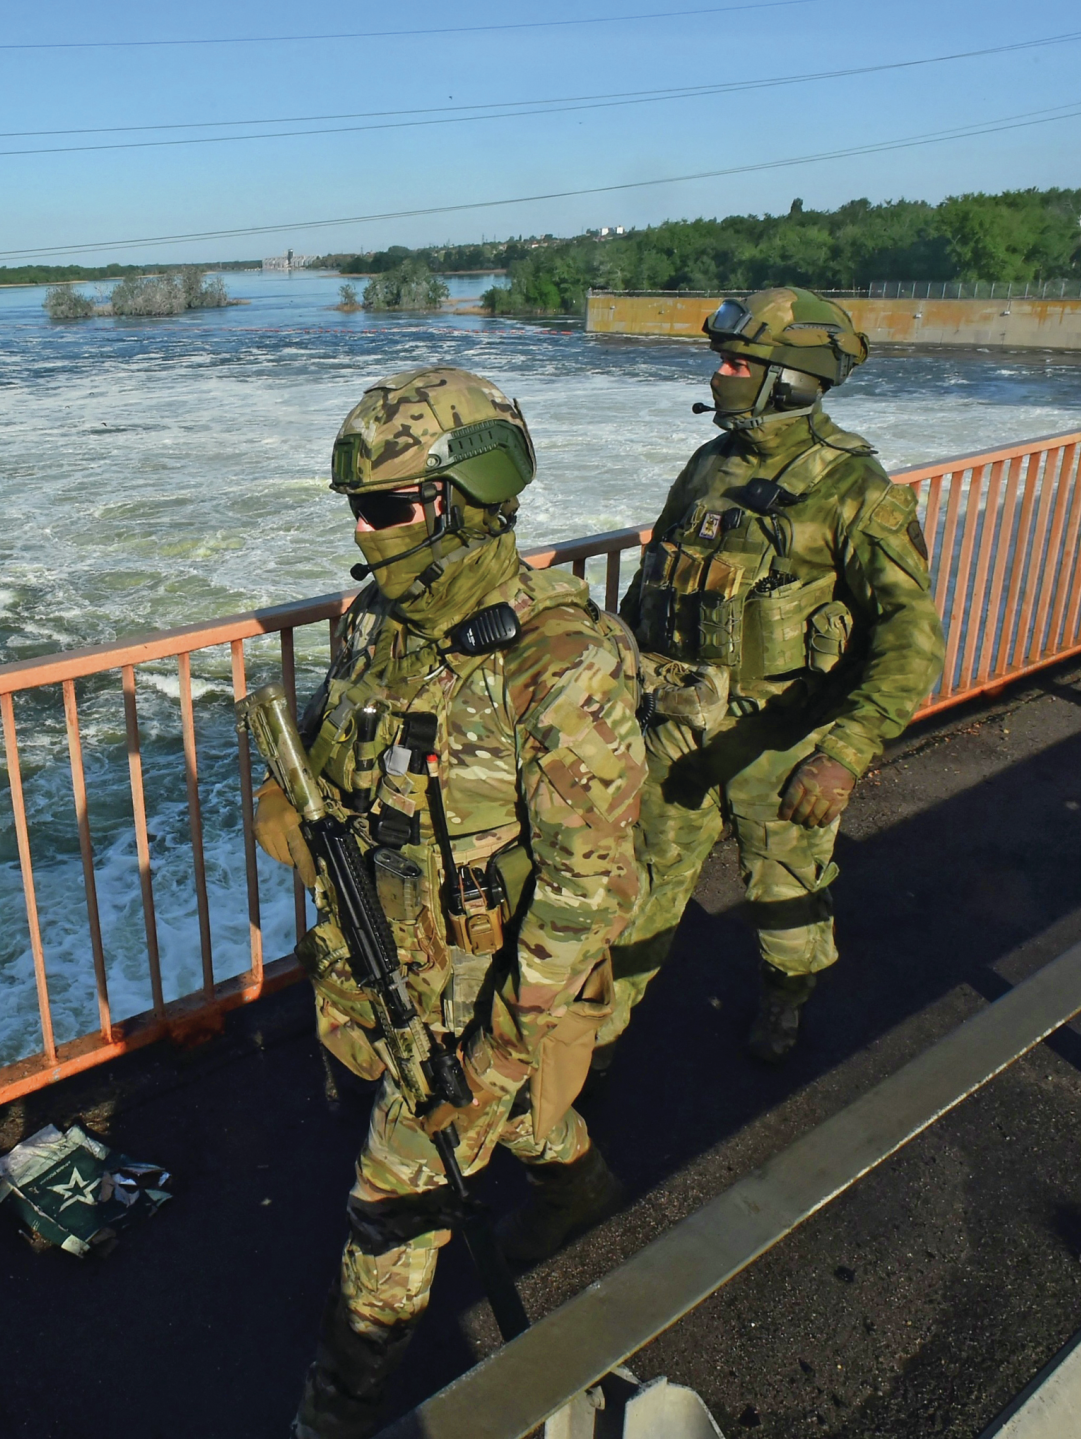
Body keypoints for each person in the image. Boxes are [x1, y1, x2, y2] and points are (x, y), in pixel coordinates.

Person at [254, 367, 646, 1439]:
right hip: (388, 963)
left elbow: (588, 888)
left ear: (464, 499)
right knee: (507, 1127)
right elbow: (342, 765)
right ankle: (577, 1182)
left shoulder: (557, 659)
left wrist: (489, 1056)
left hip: (484, 1004)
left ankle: (333, 1413)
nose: (367, 531)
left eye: (385, 506)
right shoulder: (380, 623)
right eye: (358, 509)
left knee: (388, 1218)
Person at [605, 286, 945, 1067]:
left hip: (783, 741)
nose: (721, 375)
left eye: (738, 362)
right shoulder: (709, 464)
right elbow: (655, 583)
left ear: (789, 379)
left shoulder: (854, 490)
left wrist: (846, 751)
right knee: (641, 884)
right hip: (679, 730)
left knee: (785, 890)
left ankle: (786, 1001)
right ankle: (599, 1036)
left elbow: (912, 637)